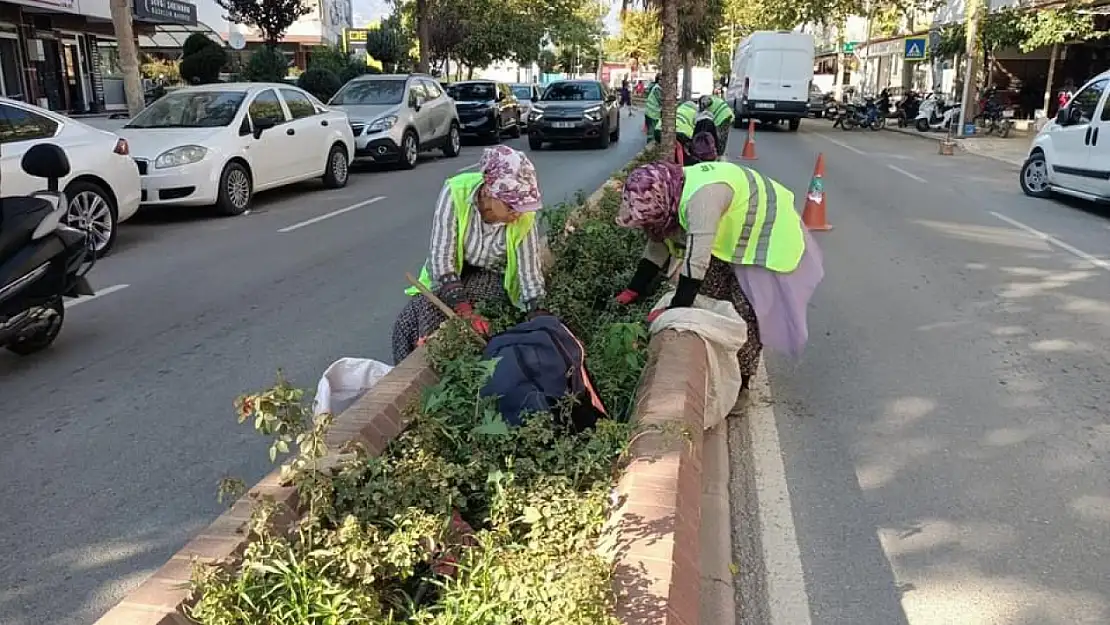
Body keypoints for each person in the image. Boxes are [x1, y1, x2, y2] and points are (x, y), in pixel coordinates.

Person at [612, 160, 824, 391]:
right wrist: (633, 289)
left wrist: (675, 309)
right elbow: (658, 245)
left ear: (663, 199)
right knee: (709, 300)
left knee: (746, 313)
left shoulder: (702, 199)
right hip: (730, 234)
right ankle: (715, 367)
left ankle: (741, 382)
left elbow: (696, 261)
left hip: (765, 234)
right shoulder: (670, 190)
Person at [392, 145, 546, 364]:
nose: (517, 213)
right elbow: (441, 260)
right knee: (409, 320)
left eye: (522, 205)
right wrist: (464, 311)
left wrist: (538, 314)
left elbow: (530, 275)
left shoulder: (524, 217)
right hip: (450, 277)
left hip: (492, 277)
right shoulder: (456, 192)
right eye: (511, 205)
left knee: (450, 326)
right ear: (490, 192)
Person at [644, 76, 662, 141]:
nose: (662, 81)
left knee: (651, 132)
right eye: (661, 79)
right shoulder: (657, 89)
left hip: (651, 113)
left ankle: (649, 145)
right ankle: (649, 146)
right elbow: (661, 101)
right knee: (652, 133)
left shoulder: (657, 88)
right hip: (652, 113)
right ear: (658, 80)